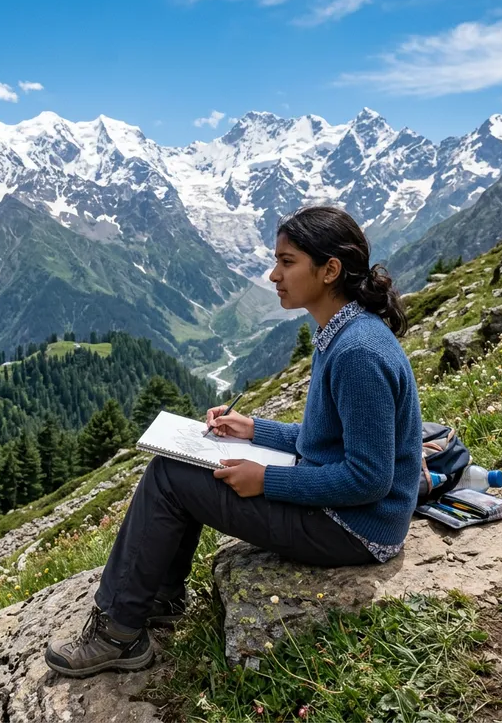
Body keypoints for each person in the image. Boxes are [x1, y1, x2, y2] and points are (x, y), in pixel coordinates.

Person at [45, 205, 422, 678]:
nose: (273, 274)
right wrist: (252, 429)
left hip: (355, 530)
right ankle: (157, 593)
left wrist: (266, 481)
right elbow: (327, 442)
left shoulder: (358, 352)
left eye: (287, 262)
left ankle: (118, 633)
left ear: (329, 271)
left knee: (169, 476)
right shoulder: (344, 333)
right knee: (178, 466)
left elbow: (368, 479)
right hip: (348, 516)